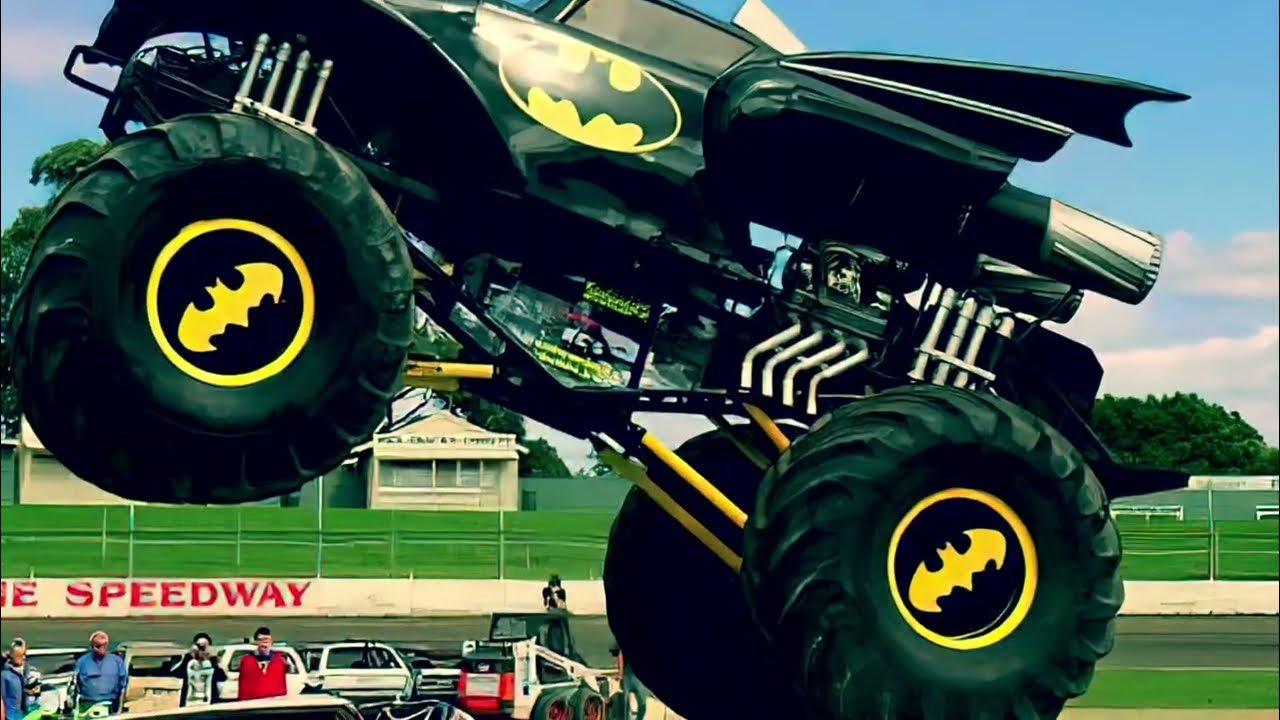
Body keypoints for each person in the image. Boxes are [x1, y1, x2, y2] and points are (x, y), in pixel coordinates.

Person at [74, 631, 128, 714]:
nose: (102, 648)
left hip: (111, 704)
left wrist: (119, 710)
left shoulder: (117, 661)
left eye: (104, 645)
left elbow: (123, 687)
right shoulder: (82, 662)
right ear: (92, 646)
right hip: (87, 705)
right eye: (98, 646)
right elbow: (75, 686)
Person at [173, 633, 226, 707]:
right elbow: (177, 674)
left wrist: (217, 660)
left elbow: (222, 677)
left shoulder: (212, 660)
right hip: (189, 702)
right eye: (199, 646)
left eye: (204, 646)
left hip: (209, 702)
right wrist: (189, 656)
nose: (201, 649)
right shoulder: (188, 659)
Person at [236, 627, 288, 701]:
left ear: (271, 642)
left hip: (274, 704)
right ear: (256, 642)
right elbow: (243, 686)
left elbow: (283, 685)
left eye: (266, 640)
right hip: (253, 704)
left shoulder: (279, 661)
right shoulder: (247, 661)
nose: (264, 643)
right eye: (261, 640)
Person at [609, 644, 646, 720]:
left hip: (632, 678)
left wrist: (620, 672)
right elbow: (621, 654)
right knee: (629, 705)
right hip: (631, 678)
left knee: (633, 705)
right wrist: (620, 672)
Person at [2, 645, 27, 720]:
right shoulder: (4, 674)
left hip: (21, 714)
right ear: (13, 657)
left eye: (24, 655)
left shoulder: (21, 672)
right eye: (20, 655)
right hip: (10, 716)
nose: (24, 657)